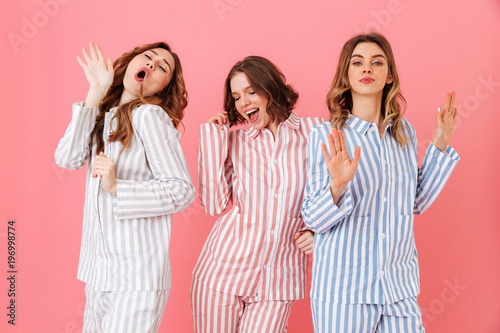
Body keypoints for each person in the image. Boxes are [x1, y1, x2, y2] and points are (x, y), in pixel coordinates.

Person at [302, 33, 460, 332]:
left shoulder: (404, 134)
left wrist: (439, 143)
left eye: (377, 62)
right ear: (346, 76)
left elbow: (415, 202)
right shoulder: (326, 136)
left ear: (389, 76)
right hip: (344, 293)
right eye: (358, 62)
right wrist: (338, 185)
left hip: (399, 287)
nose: (367, 69)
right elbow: (312, 217)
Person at [55, 42, 195, 333]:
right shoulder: (103, 113)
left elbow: (182, 190)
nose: (153, 65)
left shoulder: (150, 116)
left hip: (137, 279)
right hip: (99, 272)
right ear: (132, 62)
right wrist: (95, 92)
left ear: (163, 87)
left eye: (163, 67)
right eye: (148, 58)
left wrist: (118, 186)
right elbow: (67, 159)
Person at [191, 56, 321, 332]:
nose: (244, 102)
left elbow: (339, 189)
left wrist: (318, 231)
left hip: (280, 278)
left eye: (251, 91)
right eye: (237, 97)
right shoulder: (236, 142)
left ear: (271, 87)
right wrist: (213, 141)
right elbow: (214, 206)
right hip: (221, 272)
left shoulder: (315, 132)